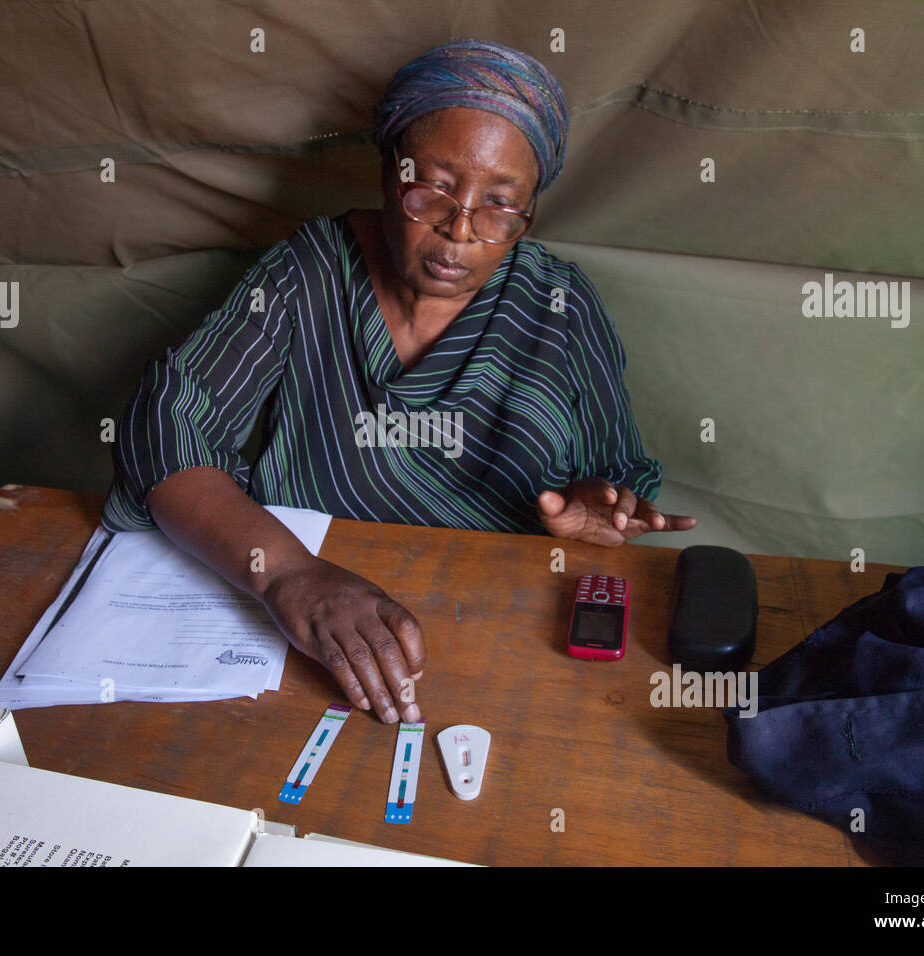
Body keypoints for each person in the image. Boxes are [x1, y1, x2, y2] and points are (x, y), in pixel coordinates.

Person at [101, 39, 697, 725]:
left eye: (501, 205)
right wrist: (290, 577)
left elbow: (616, 477)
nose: (459, 229)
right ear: (389, 172)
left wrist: (595, 510)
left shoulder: (558, 304)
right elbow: (167, 426)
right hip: (308, 628)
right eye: (434, 187)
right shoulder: (311, 274)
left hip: (503, 632)